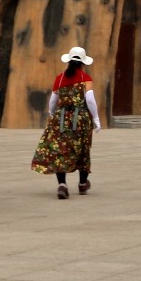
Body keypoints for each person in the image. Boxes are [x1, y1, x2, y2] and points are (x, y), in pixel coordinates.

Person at [31, 46, 102, 199]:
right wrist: (96, 119)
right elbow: (90, 100)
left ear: (68, 61)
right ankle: (82, 183)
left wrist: (52, 114)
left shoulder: (60, 78)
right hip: (81, 118)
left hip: (61, 118)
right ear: (82, 63)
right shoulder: (85, 78)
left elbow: (53, 100)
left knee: (60, 149)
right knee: (83, 149)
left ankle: (62, 184)